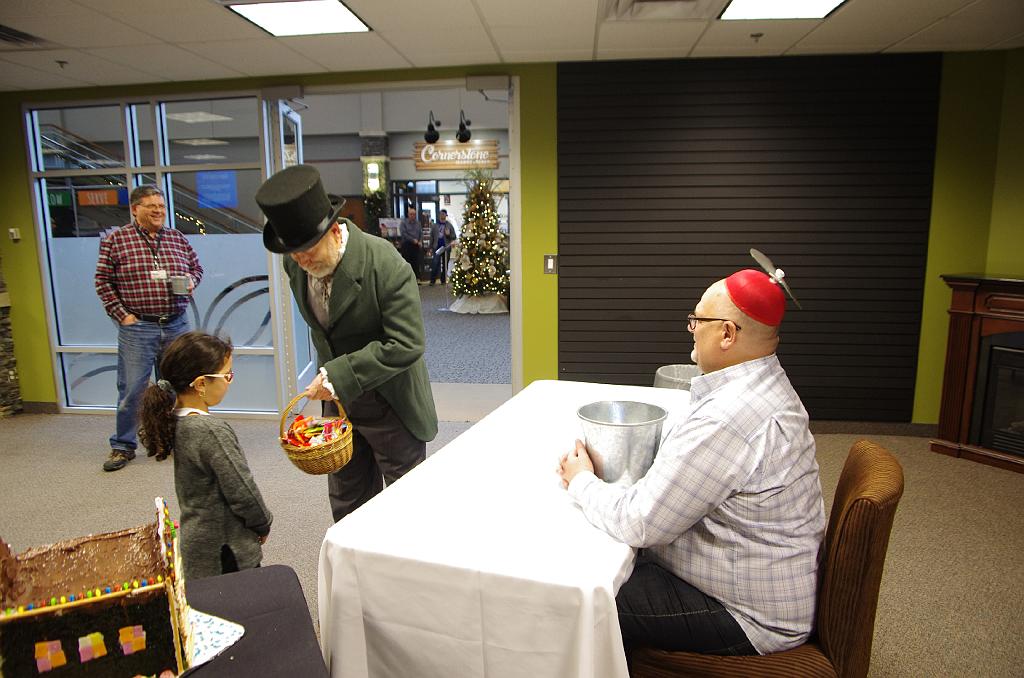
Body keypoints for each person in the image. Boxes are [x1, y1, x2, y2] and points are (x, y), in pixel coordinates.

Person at [558, 268, 826, 657]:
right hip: (767, 583)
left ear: (727, 334)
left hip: (748, 615)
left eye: (697, 320)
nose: (692, 329)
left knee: (577, 597)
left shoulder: (730, 417)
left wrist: (581, 480)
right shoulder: (765, 383)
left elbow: (641, 523)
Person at [255, 165, 438, 523]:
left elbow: (407, 343)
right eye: (294, 254)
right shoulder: (297, 266)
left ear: (335, 230)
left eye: (308, 250)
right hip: (340, 406)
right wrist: (334, 385)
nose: (302, 261)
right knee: (348, 504)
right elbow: (325, 330)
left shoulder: (385, 264)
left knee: (406, 507)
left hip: (391, 400)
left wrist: (336, 375)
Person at [137, 331, 272, 581]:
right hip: (225, 549)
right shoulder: (210, 431)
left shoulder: (175, 419)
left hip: (198, 542)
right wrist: (262, 523)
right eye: (227, 375)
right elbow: (242, 490)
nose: (230, 381)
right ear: (200, 384)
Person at [95, 185, 203, 472]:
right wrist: (123, 316)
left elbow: (196, 269)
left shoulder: (177, 238)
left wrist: (191, 280)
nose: (158, 211)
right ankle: (123, 445)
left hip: (176, 322)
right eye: (151, 206)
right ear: (135, 209)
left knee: (178, 385)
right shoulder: (116, 240)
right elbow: (102, 282)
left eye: (161, 206)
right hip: (138, 326)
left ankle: (172, 440)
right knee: (133, 389)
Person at [429, 209, 457, 285]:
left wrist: (448, 235)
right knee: (435, 263)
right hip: (437, 247)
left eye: (443, 214)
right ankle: (432, 281)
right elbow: (431, 236)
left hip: (446, 247)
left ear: (446, 215)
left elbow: (454, 236)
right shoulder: (435, 225)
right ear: (439, 215)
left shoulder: (449, 225)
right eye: (441, 214)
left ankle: (443, 280)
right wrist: (430, 247)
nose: (442, 215)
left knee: (445, 264)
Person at [398, 206, 421, 277]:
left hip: (416, 246)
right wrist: (412, 240)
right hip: (407, 246)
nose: (412, 216)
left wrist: (420, 241)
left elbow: (421, 233)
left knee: (416, 263)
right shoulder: (403, 223)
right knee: (407, 263)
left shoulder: (418, 223)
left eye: (414, 214)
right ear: (408, 214)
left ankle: (416, 278)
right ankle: (407, 278)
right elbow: (404, 234)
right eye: (411, 214)